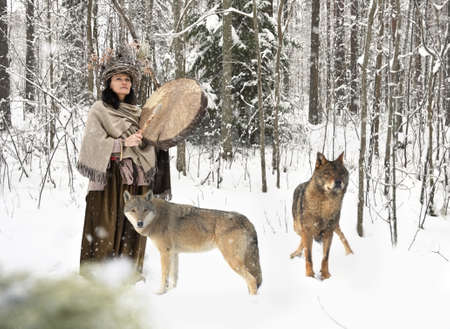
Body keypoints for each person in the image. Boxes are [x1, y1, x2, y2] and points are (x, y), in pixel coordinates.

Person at [76, 45, 171, 275]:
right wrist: (121, 145)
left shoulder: (139, 113)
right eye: (118, 78)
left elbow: (151, 142)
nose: (124, 82)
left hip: (137, 180)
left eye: (127, 79)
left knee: (133, 227)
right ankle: (98, 276)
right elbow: (93, 144)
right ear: (109, 82)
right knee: (105, 227)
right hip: (110, 179)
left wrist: (149, 141)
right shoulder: (99, 110)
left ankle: (128, 274)